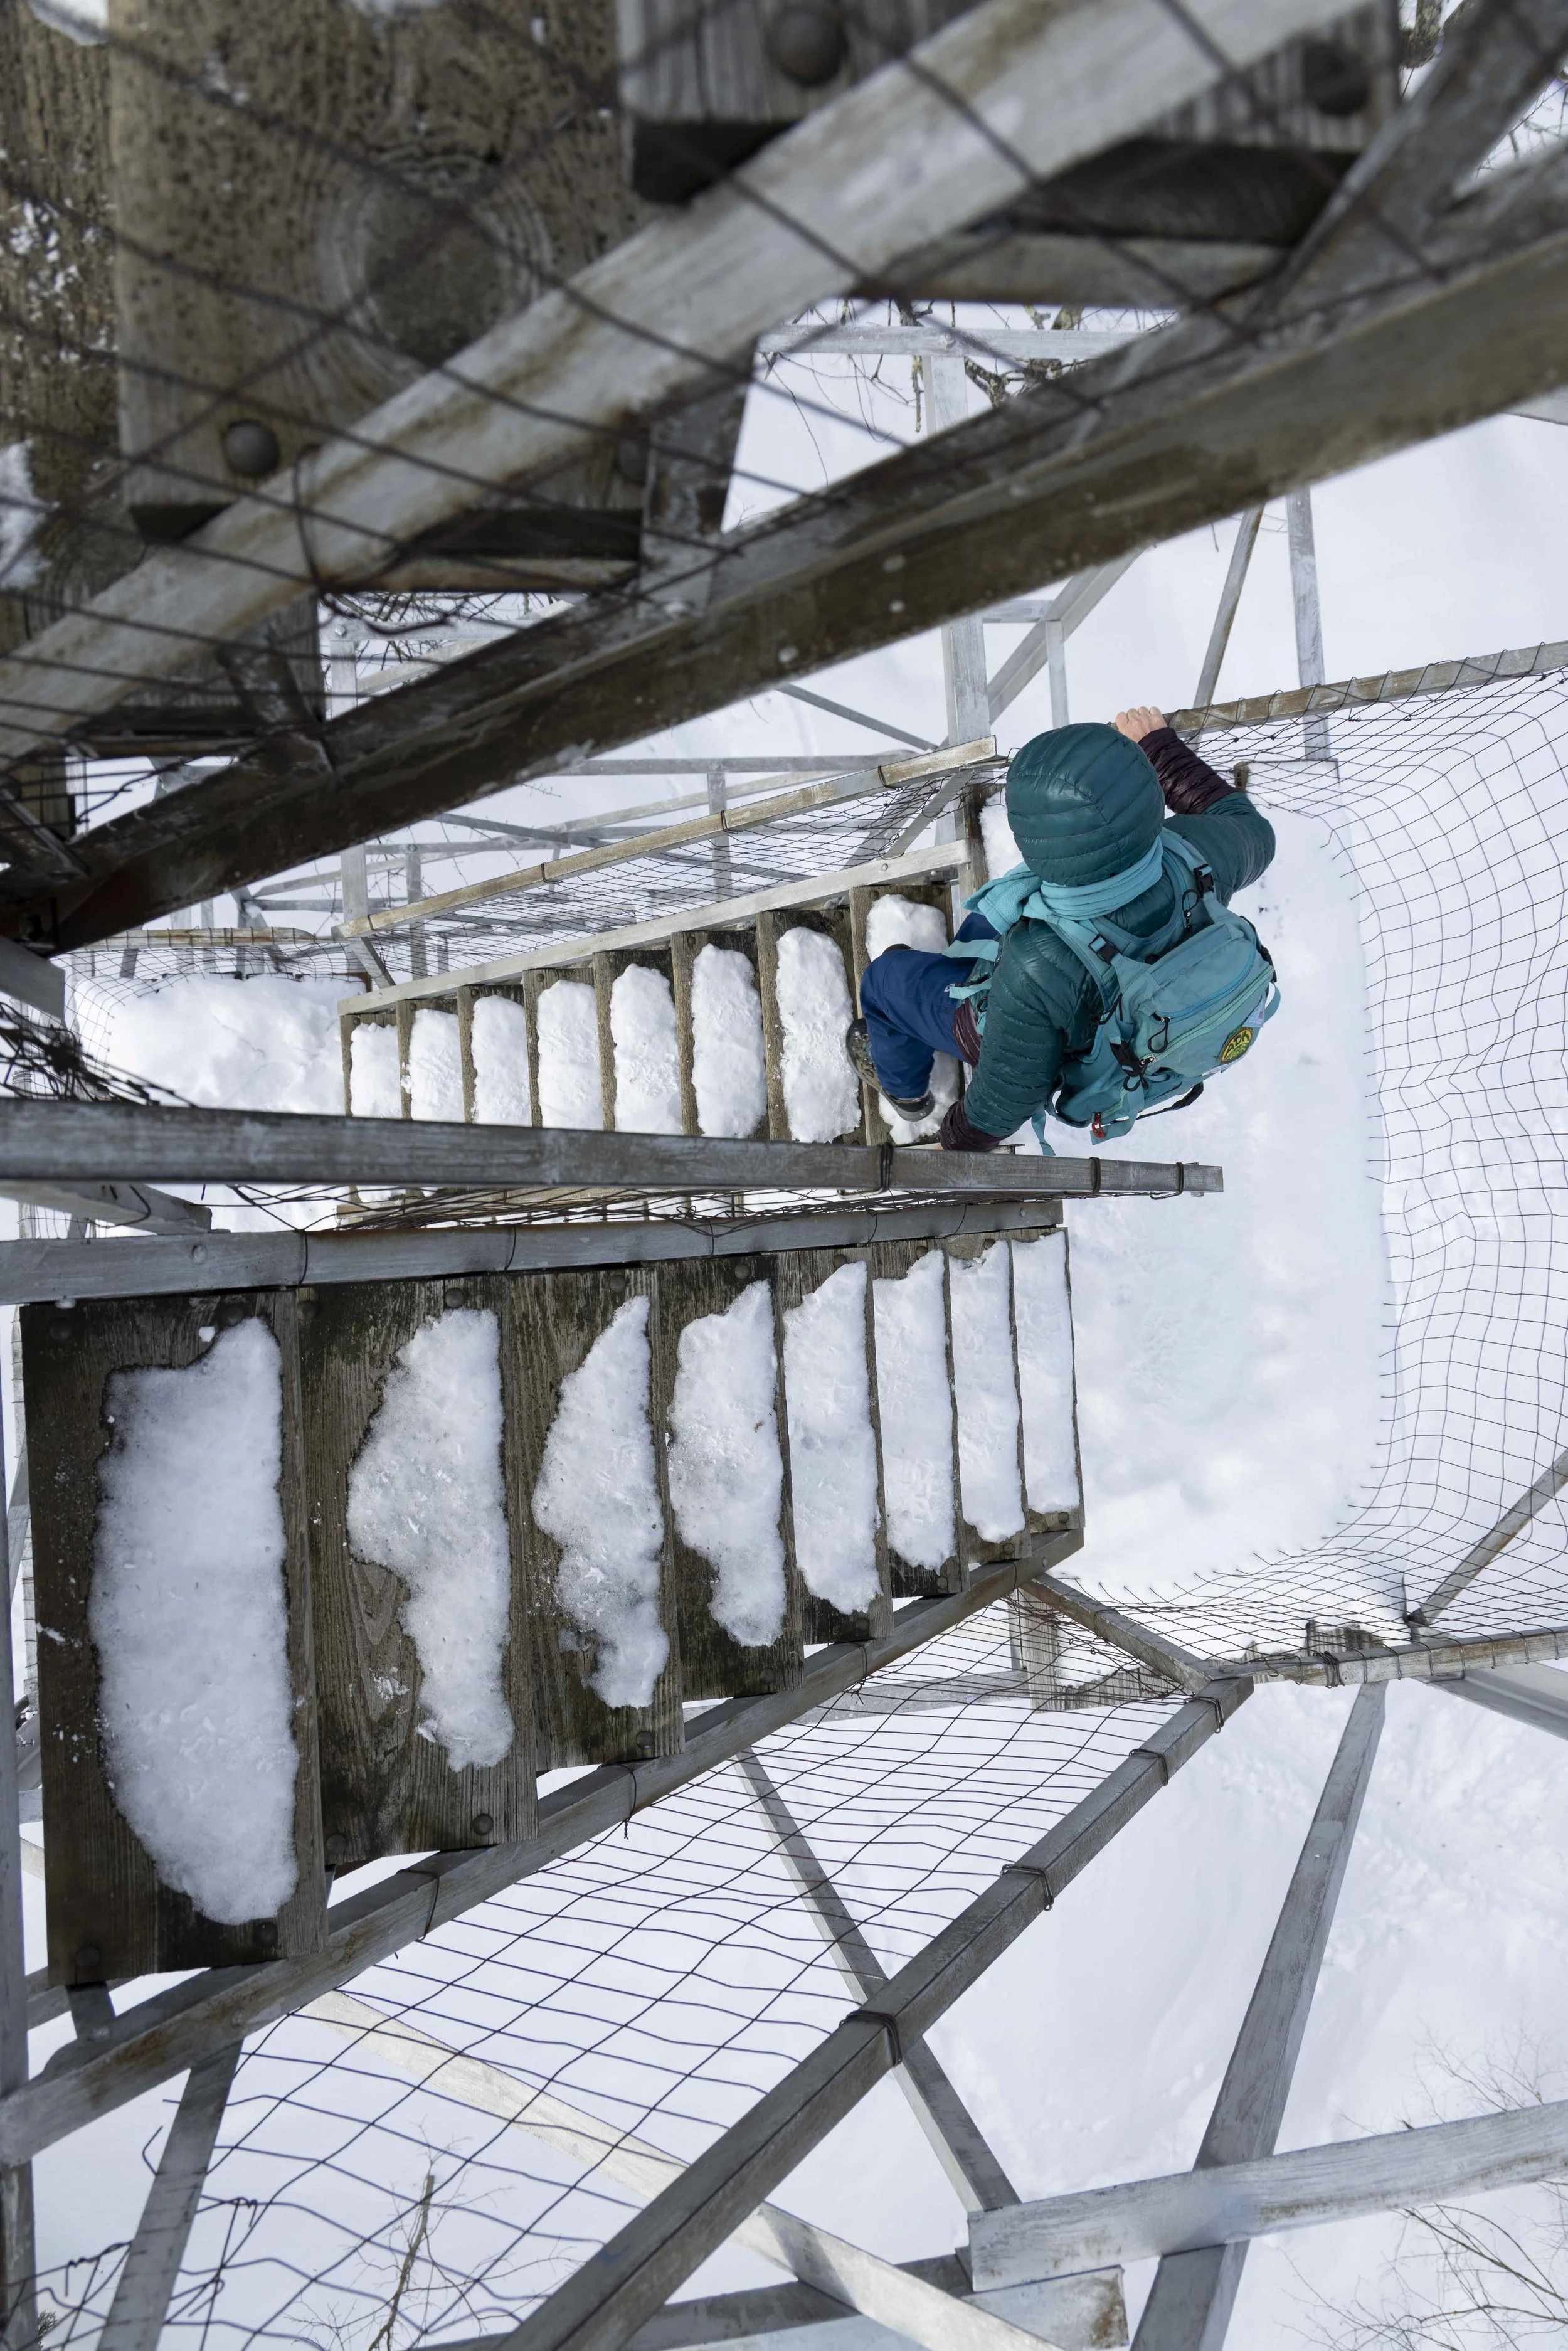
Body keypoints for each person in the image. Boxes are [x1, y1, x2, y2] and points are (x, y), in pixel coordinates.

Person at [846, 706, 1276, 1151]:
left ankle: (906, 1092)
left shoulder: (1038, 959)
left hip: (1036, 1028)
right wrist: (1160, 749)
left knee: (883, 982)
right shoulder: (1200, 850)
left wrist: (954, 1143)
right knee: (987, 920)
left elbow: (1007, 1097)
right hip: (1130, 1005)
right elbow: (1246, 823)